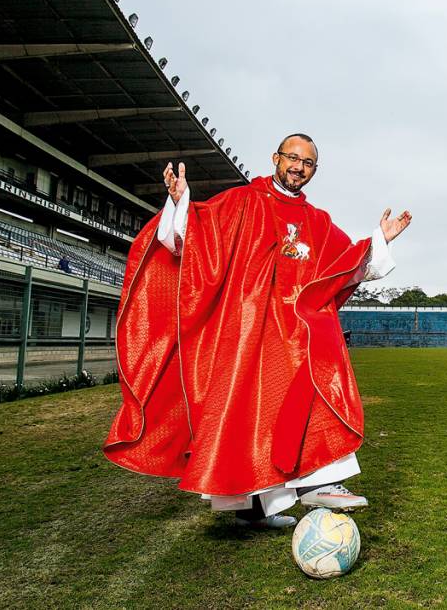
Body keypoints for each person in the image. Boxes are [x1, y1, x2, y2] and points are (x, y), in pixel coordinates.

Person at [104, 134, 411, 529]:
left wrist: (379, 240)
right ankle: (253, 507)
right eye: (292, 158)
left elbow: (344, 262)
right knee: (244, 416)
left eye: (308, 163)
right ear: (275, 158)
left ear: (314, 171)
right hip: (248, 331)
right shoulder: (242, 202)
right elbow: (196, 239)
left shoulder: (317, 221)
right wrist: (182, 202)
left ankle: (320, 480)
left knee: (318, 381)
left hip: (296, 331)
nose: (299, 167)